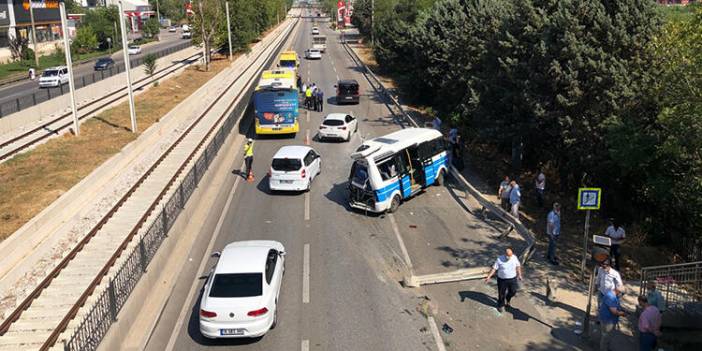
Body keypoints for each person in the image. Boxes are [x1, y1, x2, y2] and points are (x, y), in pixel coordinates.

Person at [484, 247, 523, 313]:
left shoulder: (514, 258)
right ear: (505, 255)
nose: (509, 258)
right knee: (501, 294)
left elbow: (518, 266)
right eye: (508, 256)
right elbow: (494, 268)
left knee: (513, 291)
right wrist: (489, 276)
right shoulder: (499, 259)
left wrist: (519, 275)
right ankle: (500, 305)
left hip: (512, 279)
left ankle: (508, 300)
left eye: (510, 256)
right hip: (502, 280)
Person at [598, 287, 627, 351]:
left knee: (607, 336)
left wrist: (621, 308)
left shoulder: (613, 295)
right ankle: (603, 349)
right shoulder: (611, 297)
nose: (622, 296)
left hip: (609, 319)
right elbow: (614, 311)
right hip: (608, 320)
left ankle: (606, 348)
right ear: (618, 291)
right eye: (622, 294)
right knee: (606, 337)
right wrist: (622, 313)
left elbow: (616, 305)